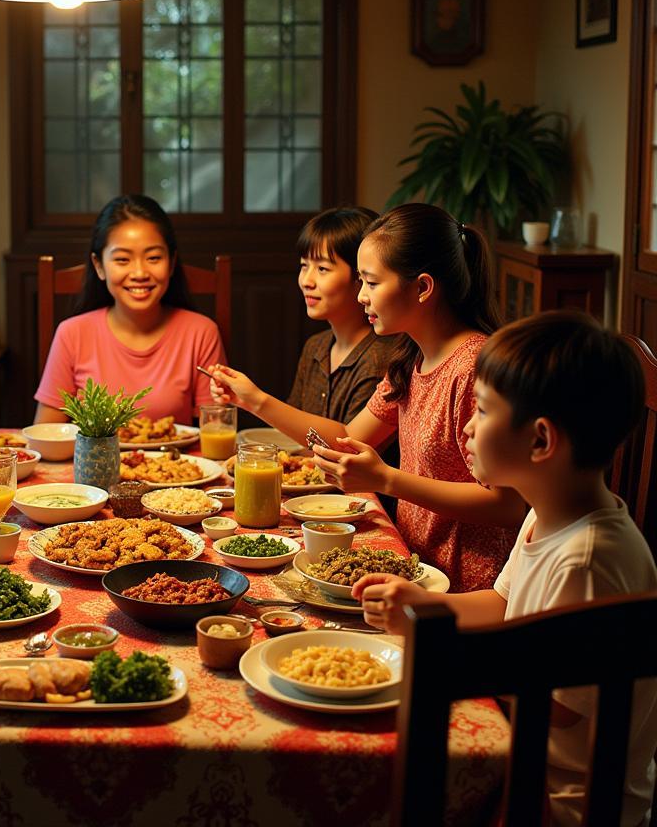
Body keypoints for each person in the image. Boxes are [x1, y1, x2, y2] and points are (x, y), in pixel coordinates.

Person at [355, 311, 657, 826]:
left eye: (483, 410)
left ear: (540, 441)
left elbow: (556, 708)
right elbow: (501, 602)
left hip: (564, 800)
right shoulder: (549, 510)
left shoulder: (590, 559)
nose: (468, 428)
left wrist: (437, 645)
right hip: (524, 759)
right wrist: (426, 606)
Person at [214, 203, 523, 592]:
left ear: (423, 287)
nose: (361, 297)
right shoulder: (413, 356)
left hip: (465, 586)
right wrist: (253, 400)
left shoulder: (474, 366)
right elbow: (347, 437)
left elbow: (508, 504)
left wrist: (388, 480)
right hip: (412, 564)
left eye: (372, 283)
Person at [34, 194, 225, 426]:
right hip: (93, 463)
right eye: (123, 260)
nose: (139, 273)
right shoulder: (71, 334)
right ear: (99, 266)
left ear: (172, 263)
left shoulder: (201, 333)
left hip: (174, 461)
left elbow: (216, 432)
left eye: (153, 257)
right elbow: (46, 434)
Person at [207, 206, 395, 437]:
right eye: (304, 266)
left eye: (323, 268)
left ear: (361, 276)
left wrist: (256, 400)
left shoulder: (383, 359)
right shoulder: (316, 347)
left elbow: (349, 444)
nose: (307, 280)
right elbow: (292, 433)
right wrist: (244, 400)